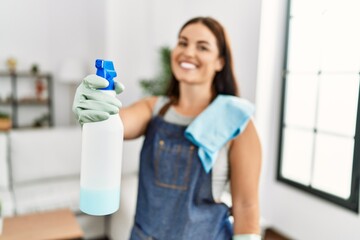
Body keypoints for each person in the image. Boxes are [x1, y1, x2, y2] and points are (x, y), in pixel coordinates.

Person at [73, 16, 262, 240]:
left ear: (220, 61)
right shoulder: (154, 108)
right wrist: (97, 110)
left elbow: (246, 204)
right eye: (182, 42)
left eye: (202, 47)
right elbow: (120, 122)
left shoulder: (237, 122)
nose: (188, 52)